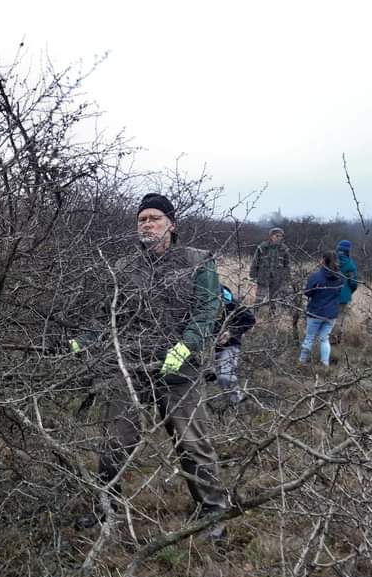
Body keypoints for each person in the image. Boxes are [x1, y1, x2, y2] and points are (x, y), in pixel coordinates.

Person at [79, 193, 227, 536]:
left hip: (182, 372)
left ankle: (213, 512)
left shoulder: (198, 262)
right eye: (141, 219)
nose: (146, 224)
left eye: (154, 218)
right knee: (114, 442)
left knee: (192, 442)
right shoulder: (125, 268)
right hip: (133, 368)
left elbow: (207, 312)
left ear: (171, 225)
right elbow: (108, 316)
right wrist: (84, 341)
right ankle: (105, 508)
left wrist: (186, 347)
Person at [213, 284, 256, 407]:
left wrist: (231, 333)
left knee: (225, 377)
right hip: (207, 346)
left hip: (230, 346)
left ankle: (237, 405)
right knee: (202, 377)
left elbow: (250, 320)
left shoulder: (230, 301)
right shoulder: (199, 297)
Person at [299, 253, 343, 366]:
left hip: (316, 312)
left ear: (323, 260)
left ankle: (301, 362)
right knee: (324, 339)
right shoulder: (341, 277)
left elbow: (308, 293)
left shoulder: (316, 276)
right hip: (331, 315)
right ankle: (324, 364)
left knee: (309, 338)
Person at [249, 227, 291, 318]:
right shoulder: (262, 247)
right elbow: (255, 261)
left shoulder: (284, 249)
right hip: (263, 276)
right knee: (259, 297)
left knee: (274, 298)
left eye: (281, 236)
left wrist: (287, 278)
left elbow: (287, 265)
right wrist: (253, 275)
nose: (279, 238)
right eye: (277, 236)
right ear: (271, 236)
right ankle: (255, 315)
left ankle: (272, 316)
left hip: (277, 278)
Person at [335, 240, 359, 341]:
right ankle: (336, 340)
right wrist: (348, 292)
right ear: (348, 251)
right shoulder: (350, 265)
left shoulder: (330, 261)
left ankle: (326, 340)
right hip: (343, 297)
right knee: (340, 319)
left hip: (328, 295)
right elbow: (353, 283)